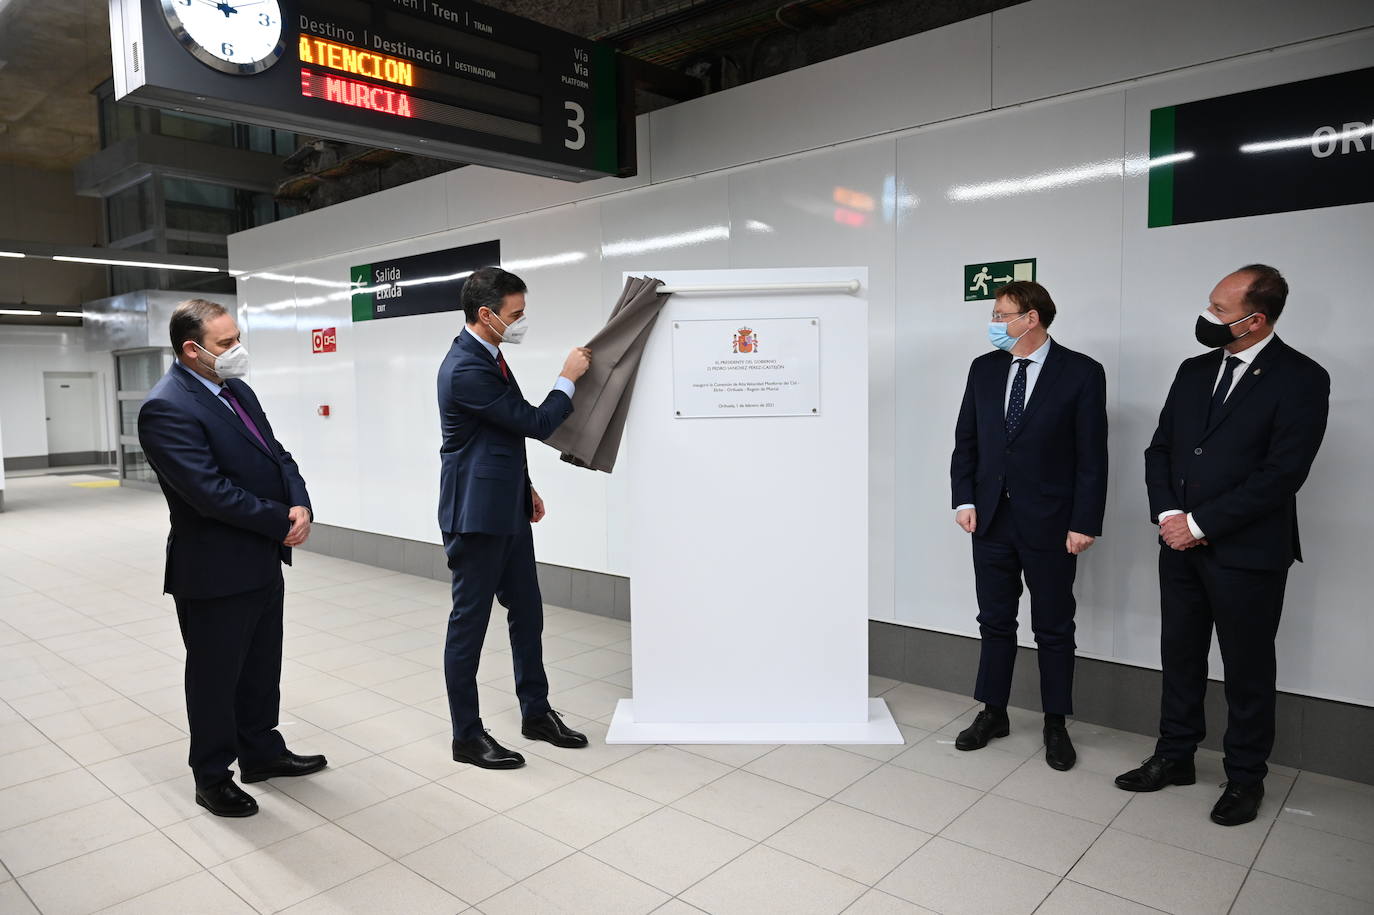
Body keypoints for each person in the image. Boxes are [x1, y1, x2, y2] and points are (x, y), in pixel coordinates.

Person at [1117, 265, 1329, 826]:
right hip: (1178, 544)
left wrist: (1202, 522)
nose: (1207, 317)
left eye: (1218, 309)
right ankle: (1175, 755)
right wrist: (1169, 515)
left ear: (1254, 319)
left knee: (1247, 668)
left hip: (1248, 553)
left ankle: (1244, 778)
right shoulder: (1193, 371)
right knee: (1180, 654)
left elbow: (1282, 474)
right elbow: (1160, 449)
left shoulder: (1302, 378)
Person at [138, 299, 325, 818]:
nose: (236, 350)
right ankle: (212, 775)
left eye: (236, 337)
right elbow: (209, 493)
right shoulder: (166, 407)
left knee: (262, 667)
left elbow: (277, 453)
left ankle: (262, 752)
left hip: (262, 559)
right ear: (191, 350)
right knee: (216, 677)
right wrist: (279, 520)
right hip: (214, 570)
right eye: (225, 344)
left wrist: (300, 501)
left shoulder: (236, 389)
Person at [437, 266, 592, 769]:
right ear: (486, 315)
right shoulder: (466, 367)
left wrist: (524, 488)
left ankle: (536, 712)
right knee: (470, 625)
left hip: (506, 509)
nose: (521, 322)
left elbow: (496, 436)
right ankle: (466, 735)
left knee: (528, 610)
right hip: (476, 518)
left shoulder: (491, 355)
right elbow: (532, 422)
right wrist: (567, 378)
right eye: (515, 315)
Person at [950, 281, 1108, 771]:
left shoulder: (1081, 372)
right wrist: (964, 498)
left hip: (1053, 523)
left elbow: (1092, 456)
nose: (994, 322)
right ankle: (992, 712)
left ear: (1032, 318)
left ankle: (1055, 723)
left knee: (1054, 627)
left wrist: (1085, 521)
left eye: (1002, 313)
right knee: (994, 621)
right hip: (991, 519)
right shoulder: (985, 368)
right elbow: (967, 439)